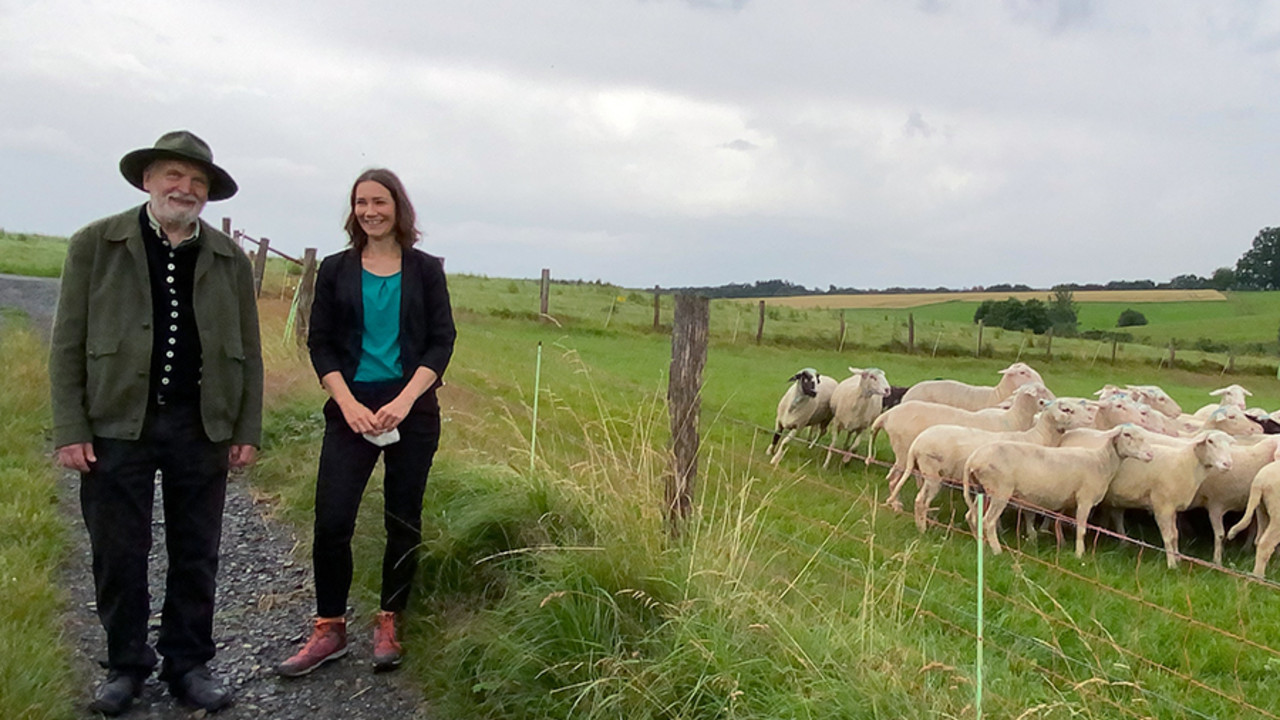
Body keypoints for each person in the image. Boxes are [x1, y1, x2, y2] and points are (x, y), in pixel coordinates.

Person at [49, 130, 263, 715]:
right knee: (120, 551)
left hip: (202, 425)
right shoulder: (96, 244)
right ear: (148, 180)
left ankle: (188, 665)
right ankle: (125, 666)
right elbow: (67, 343)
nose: (184, 189)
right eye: (173, 175)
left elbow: (249, 348)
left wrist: (246, 428)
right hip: (118, 423)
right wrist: (71, 427)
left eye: (197, 182)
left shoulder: (228, 259)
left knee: (197, 552)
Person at [277, 168, 455, 677]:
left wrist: (405, 399)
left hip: (412, 410)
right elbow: (321, 343)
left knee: (403, 519)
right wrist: (348, 403)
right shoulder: (335, 270)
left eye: (379, 201)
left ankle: (389, 621)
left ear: (399, 207)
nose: (369, 211)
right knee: (333, 519)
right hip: (349, 409)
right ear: (352, 211)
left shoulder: (425, 271)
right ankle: (329, 628)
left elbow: (442, 340)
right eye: (360, 203)